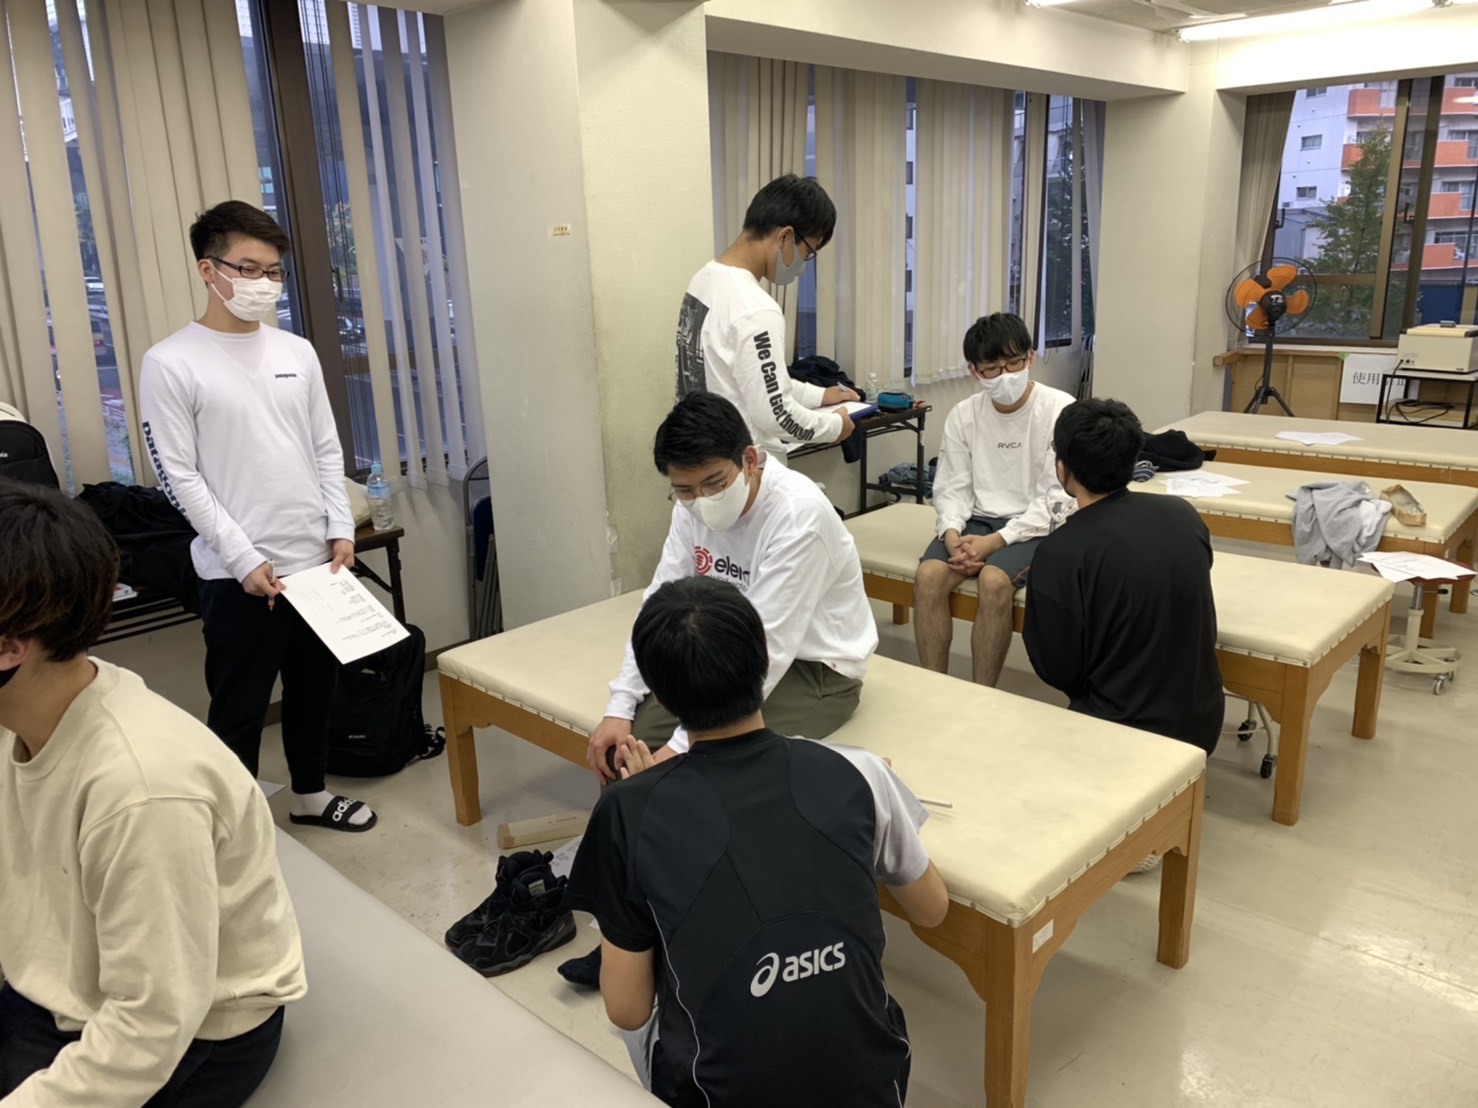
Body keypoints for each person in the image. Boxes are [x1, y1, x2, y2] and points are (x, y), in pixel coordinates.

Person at [566, 576, 949, 1107]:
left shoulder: (627, 811)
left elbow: (627, 1010)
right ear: (766, 660)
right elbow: (931, 909)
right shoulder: (862, 771)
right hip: (874, 1088)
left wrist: (651, 802)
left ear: (659, 695)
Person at [0, 480, 306, 1106]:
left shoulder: (140, 789)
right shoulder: (26, 715)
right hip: (62, 981)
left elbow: (152, 1023)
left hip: (198, 1034)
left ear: (11, 646)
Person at [139, 200, 375, 832]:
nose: (263, 284)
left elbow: (325, 448)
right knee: (240, 705)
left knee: (314, 690)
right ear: (208, 270)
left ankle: (310, 795)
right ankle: (235, 827)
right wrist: (243, 558)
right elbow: (179, 476)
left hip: (316, 564)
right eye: (248, 268)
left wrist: (340, 529)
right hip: (238, 574)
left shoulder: (296, 351)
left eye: (273, 272)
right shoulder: (171, 362)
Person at [584, 391, 878, 780]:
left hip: (815, 669)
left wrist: (680, 748)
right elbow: (658, 604)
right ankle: (630, 820)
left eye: (714, 483)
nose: (701, 500)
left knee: (701, 761)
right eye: (684, 490)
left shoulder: (798, 515)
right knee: (626, 750)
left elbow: (771, 642)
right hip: (722, 653)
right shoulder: (689, 508)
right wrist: (620, 705)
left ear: (750, 461)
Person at [1023, 398, 1224, 754]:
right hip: (1201, 725)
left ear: (1062, 467)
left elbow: (1058, 670)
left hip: (1118, 734)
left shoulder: (1060, 551)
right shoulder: (1183, 515)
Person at [913, 312, 1075, 686]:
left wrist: (996, 542)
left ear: (1030, 358)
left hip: (1037, 525)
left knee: (994, 581)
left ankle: (982, 693)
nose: (1005, 375)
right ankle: (933, 689)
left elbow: (1057, 497)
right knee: (929, 576)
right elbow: (952, 486)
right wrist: (951, 534)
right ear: (974, 371)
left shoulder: (1059, 409)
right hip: (977, 520)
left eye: (1014, 363)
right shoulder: (963, 415)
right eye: (992, 369)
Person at [676, 173, 858, 465]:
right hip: (746, 472)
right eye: (808, 252)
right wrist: (836, 427)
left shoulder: (704, 281)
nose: (802, 266)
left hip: (700, 460)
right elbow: (778, 415)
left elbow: (754, 379)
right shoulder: (755, 309)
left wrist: (820, 395)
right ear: (785, 236)